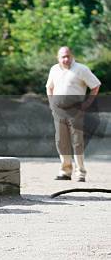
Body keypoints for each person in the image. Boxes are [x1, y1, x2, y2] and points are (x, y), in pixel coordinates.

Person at [46, 46, 101, 182]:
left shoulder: (81, 69)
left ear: (72, 56)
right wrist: (52, 104)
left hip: (75, 111)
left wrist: (87, 104)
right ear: (57, 58)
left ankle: (80, 173)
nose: (65, 59)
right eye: (62, 57)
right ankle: (65, 171)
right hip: (59, 111)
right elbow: (49, 87)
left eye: (67, 56)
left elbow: (95, 86)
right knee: (61, 142)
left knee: (77, 142)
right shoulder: (54, 69)